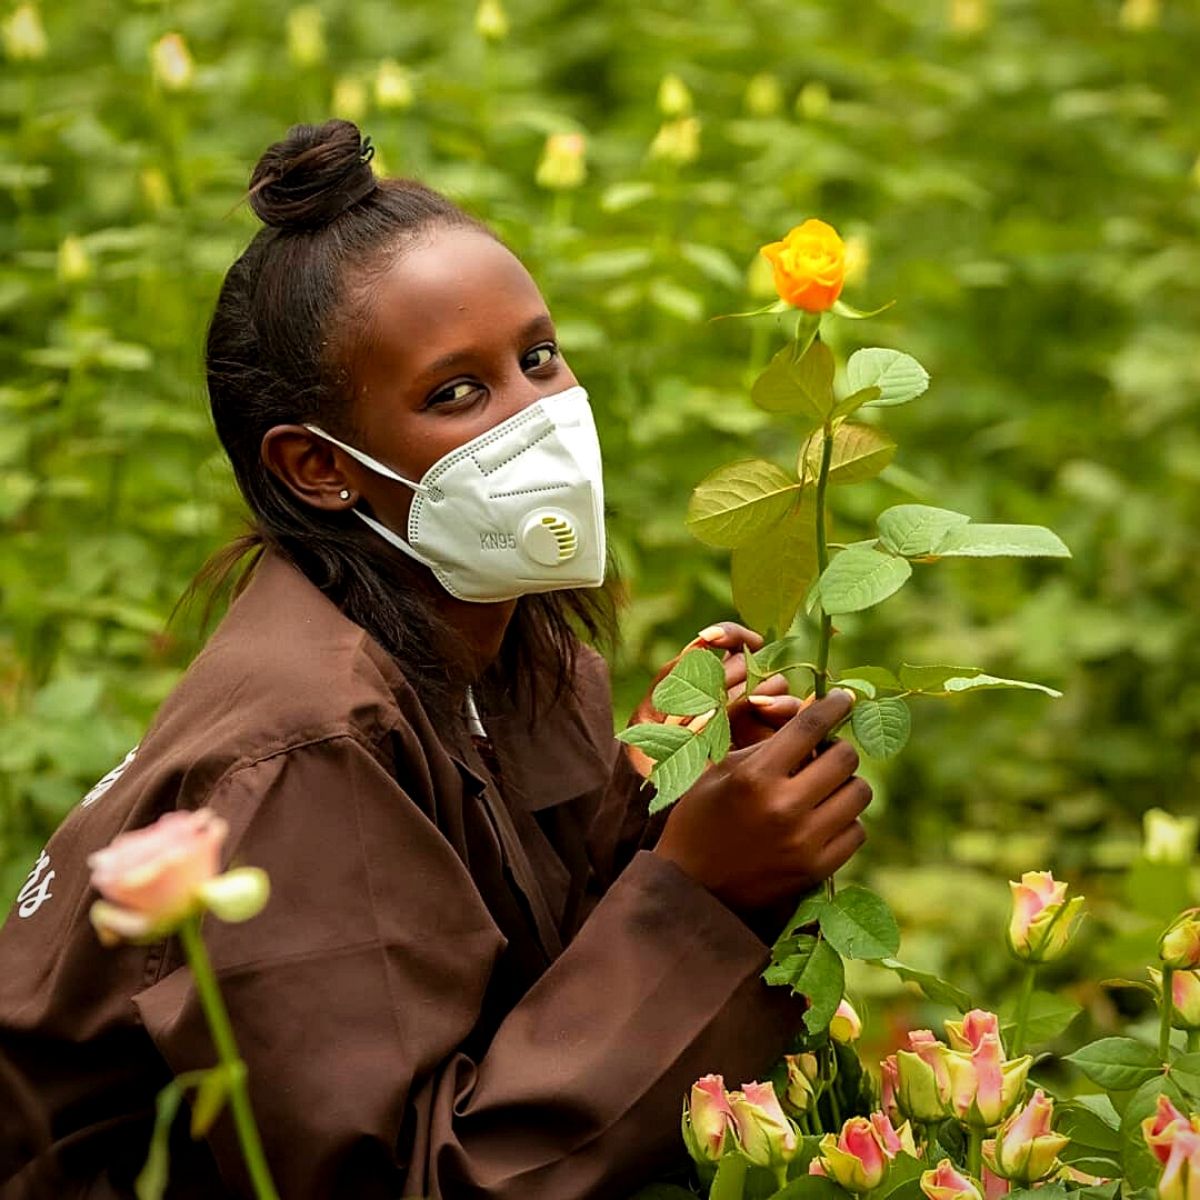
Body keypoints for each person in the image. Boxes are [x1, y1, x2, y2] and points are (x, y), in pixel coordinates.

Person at [0, 119, 871, 1200]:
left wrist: (657, 811)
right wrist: (699, 894)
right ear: (320, 467)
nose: (540, 418)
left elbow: (498, 990)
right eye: (456, 394)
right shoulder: (305, 744)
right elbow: (404, 1177)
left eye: (537, 357)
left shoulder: (502, 639)